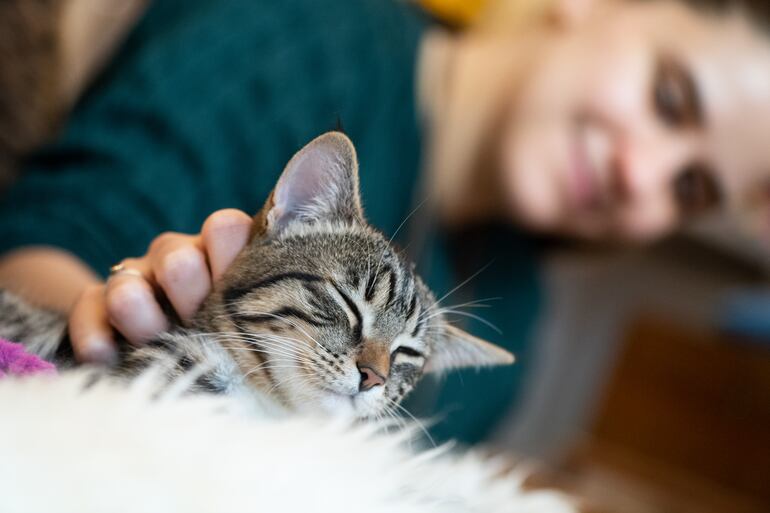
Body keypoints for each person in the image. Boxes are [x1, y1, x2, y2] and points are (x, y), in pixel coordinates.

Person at [2, 0, 770, 443]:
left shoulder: (517, 310)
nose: (642, 174)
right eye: (670, 96)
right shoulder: (306, 33)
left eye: (691, 187)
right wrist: (127, 327)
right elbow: (32, 245)